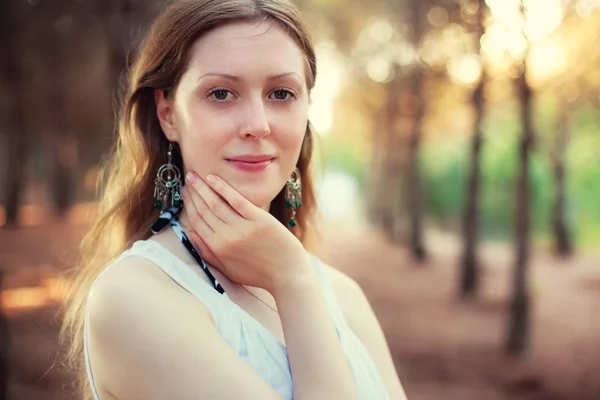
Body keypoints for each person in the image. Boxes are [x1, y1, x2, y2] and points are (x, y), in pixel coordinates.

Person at [60, 0, 408, 399]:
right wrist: (291, 282)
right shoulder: (133, 297)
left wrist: (295, 280)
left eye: (281, 93)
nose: (258, 125)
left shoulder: (341, 294)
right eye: (221, 93)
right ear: (169, 114)